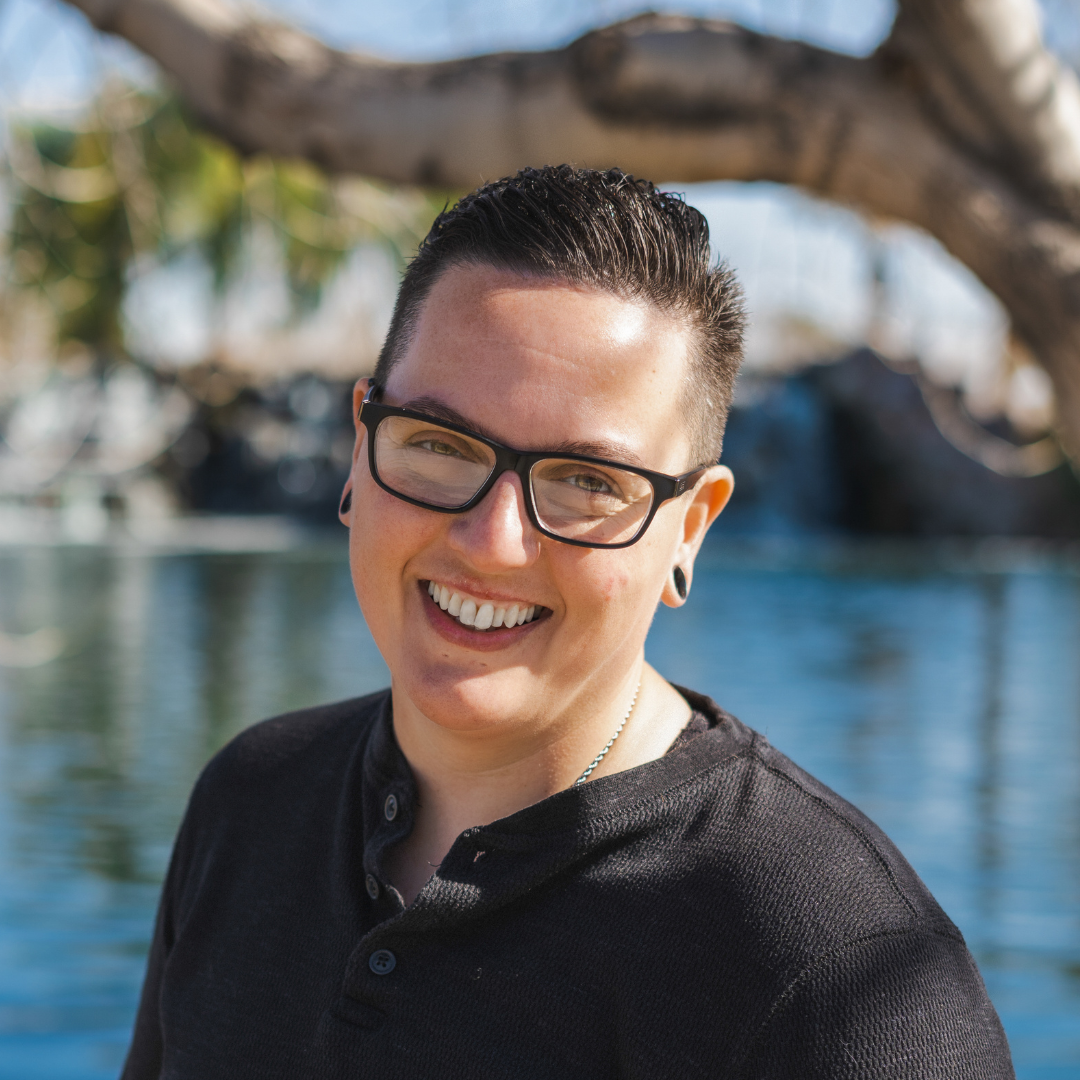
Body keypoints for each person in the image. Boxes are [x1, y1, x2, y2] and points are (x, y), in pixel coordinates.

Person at [121, 166, 1014, 1078]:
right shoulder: (250, 801)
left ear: (690, 529)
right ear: (361, 447)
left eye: (589, 481)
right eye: (439, 445)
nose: (492, 542)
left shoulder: (847, 982)